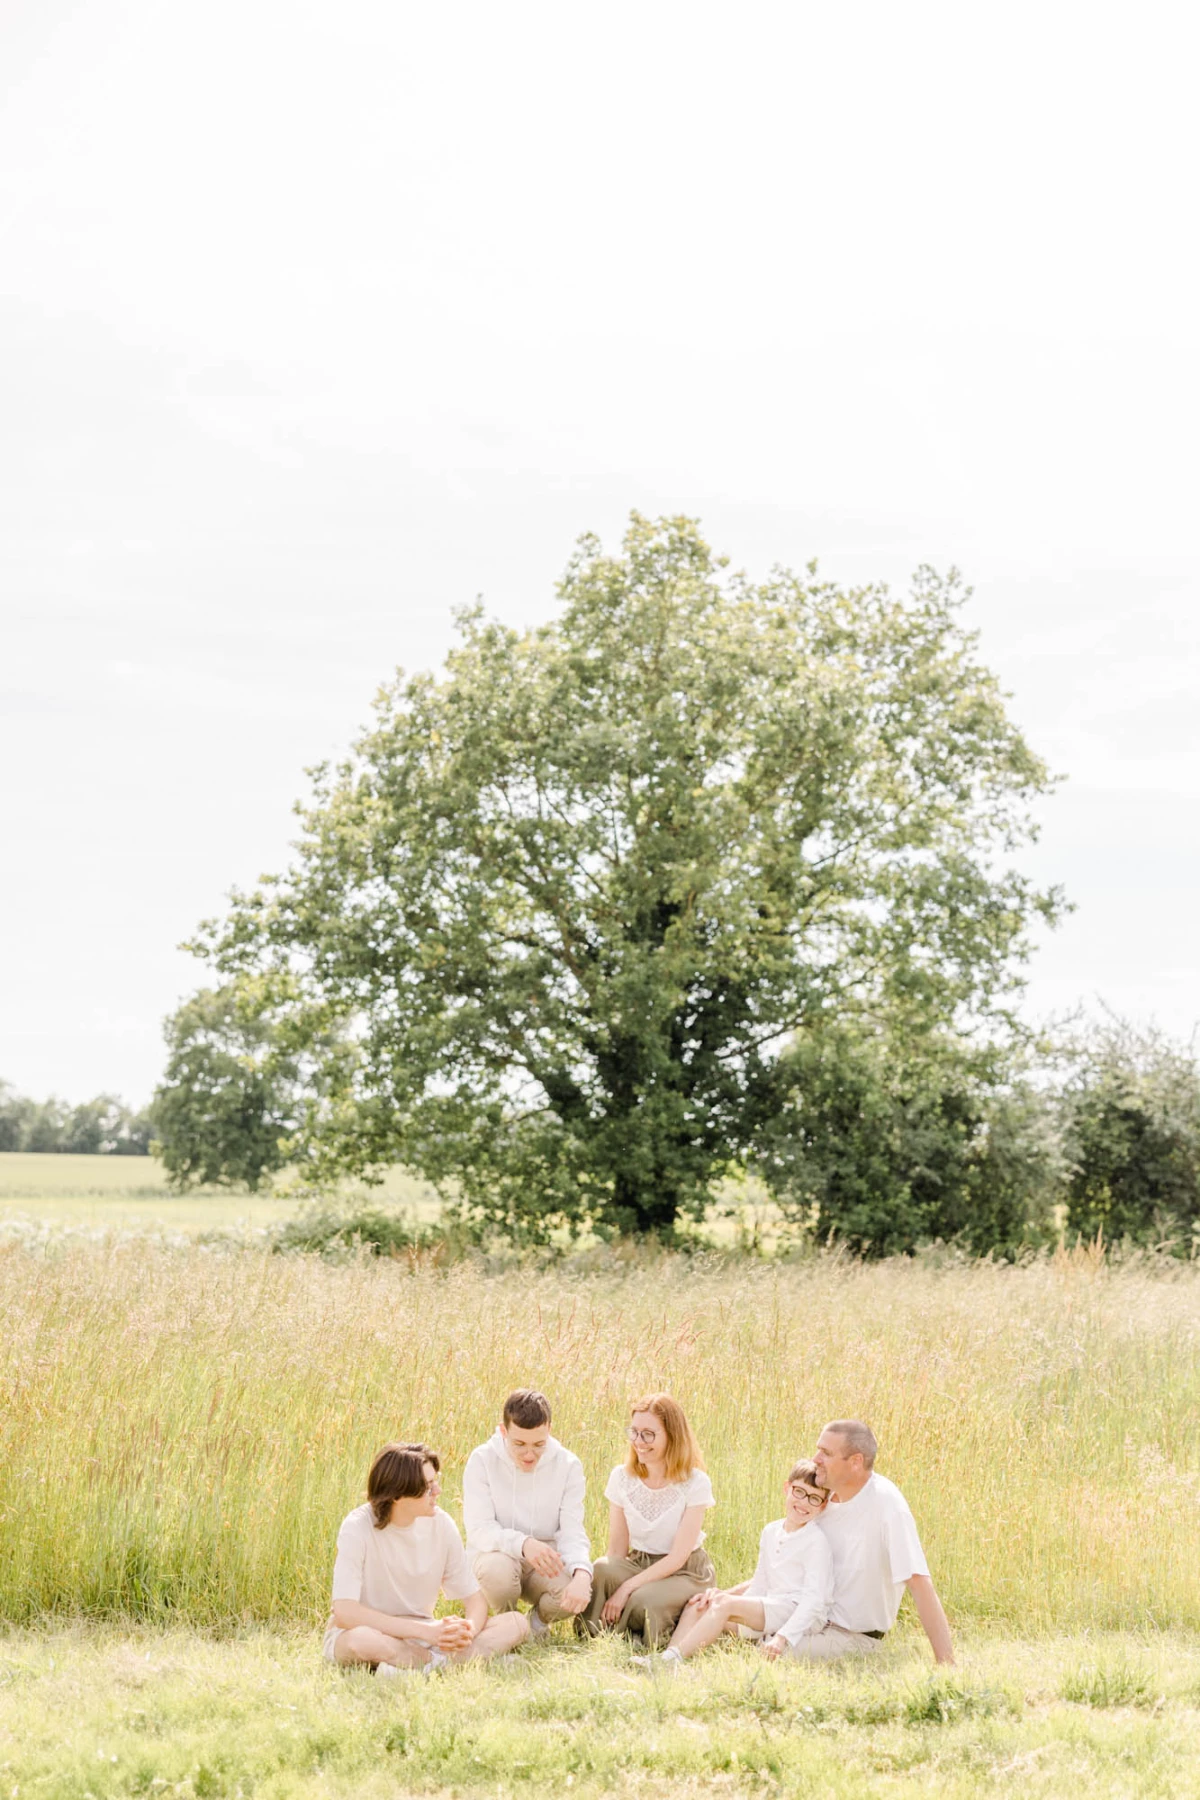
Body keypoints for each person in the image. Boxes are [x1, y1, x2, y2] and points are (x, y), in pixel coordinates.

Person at [324, 1441, 528, 1673]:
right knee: (360, 1641)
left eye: (435, 1482)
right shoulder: (357, 1527)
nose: (437, 1491)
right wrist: (424, 1631)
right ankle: (449, 1664)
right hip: (371, 1631)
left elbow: (475, 1601)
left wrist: (466, 1632)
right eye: (428, 1487)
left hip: (423, 1637)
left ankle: (416, 1666)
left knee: (516, 1623)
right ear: (398, 1495)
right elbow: (345, 1612)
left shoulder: (441, 1525)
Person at [636, 1458, 833, 1671]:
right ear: (787, 1488)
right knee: (700, 1604)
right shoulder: (771, 1531)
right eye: (799, 1492)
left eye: (814, 1498)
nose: (804, 1502)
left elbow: (814, 1600)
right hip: (772, 1605)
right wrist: (727, 1601)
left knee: (725, 1604)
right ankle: (667, 1662)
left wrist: (782, 1638)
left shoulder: (815, 1541)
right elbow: (760, 1583)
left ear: (822, 1506)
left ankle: (672, 1659)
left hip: (799, 1611)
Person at [788, 1419, 953, 1663]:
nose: (816, 1459)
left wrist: (947, 1663)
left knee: (766, 1650)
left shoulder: (886, 1505)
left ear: (856, 1462)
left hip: (851, 1636)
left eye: (826, 1453)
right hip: (802, 1616)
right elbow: (786, 1564)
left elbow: (919, 1582)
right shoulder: (821, 1500)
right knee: (731, 1618)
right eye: (818, 1450)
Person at [581, 1393, 715, 1648]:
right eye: (634, 1432)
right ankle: (597, 1636)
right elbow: (616, 1551)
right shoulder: (621, 1478)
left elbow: (677, 1558)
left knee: (643, 1599)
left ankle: (650, 1638)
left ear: (672, 1436)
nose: (638, 1442)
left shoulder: (695, 1482)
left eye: (648, 1434)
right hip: (639, 1563)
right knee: (601, 1568)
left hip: (685, 1571)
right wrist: (611, 1583)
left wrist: (625, 1589)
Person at [463, 1388, 593, 1635]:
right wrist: (524, 1544)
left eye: (539, 1444)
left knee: (573, 1589)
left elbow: (572, 1531)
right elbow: (479, 1529)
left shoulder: (568, 1465)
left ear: (549, 1430)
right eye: (519, 1444)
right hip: (496, 1556)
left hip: (543, 1562)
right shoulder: (482, 1460)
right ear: (503, 1431)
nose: (529, 1454)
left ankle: (535, 1626)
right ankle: (506, 1626)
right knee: (497, 1572)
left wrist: (583, 1573)